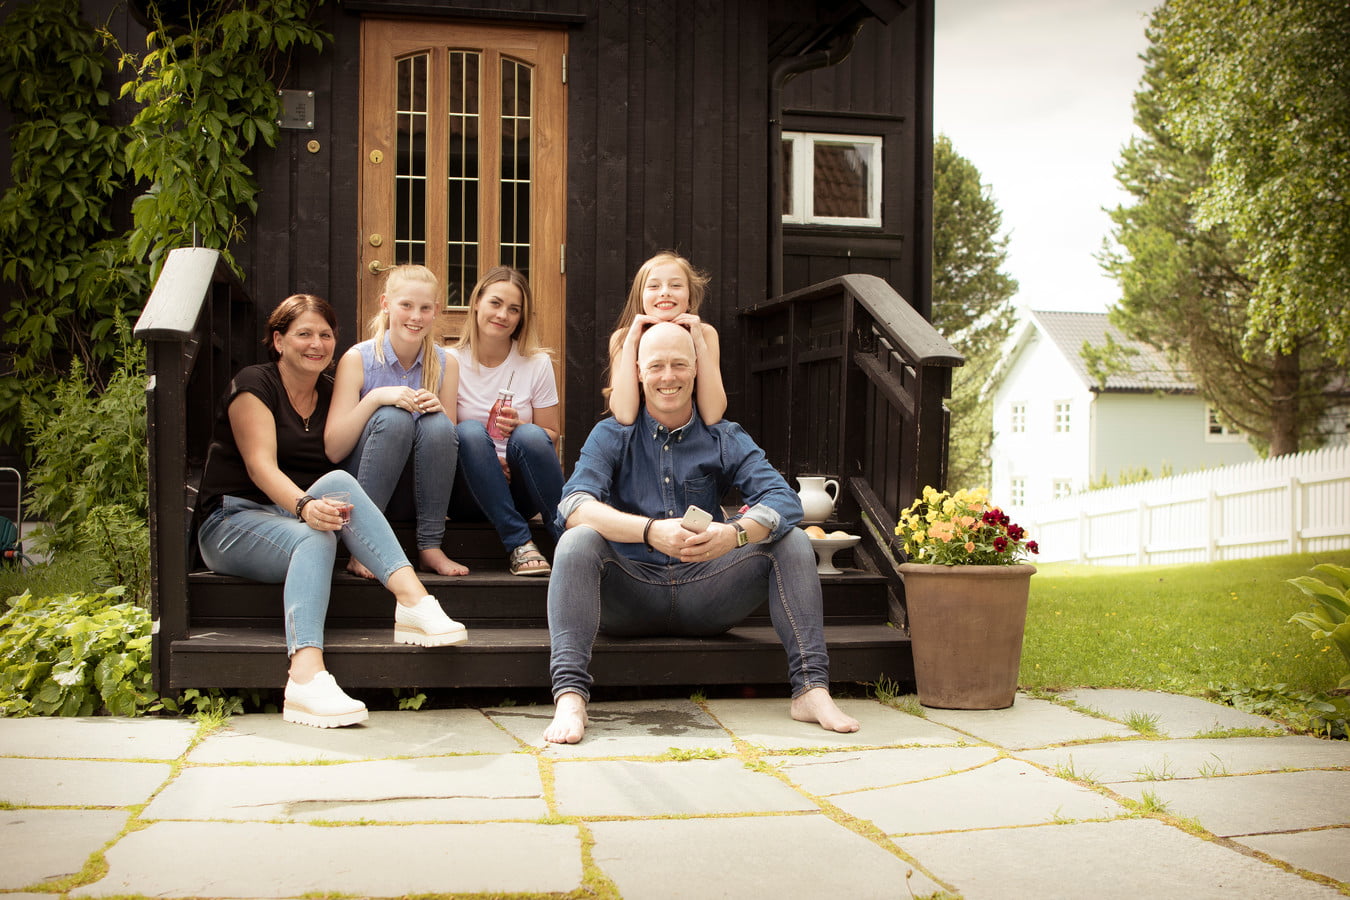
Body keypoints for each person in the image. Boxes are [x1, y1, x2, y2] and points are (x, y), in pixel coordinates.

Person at [544, 321, 860, 743]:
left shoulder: (723, 436)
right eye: (656, 366)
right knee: (578, 539)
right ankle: (570, 697)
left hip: (707, 593)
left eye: (679, 364)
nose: (668, 376)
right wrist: (649, 531)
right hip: (630, 593)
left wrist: (735, 535)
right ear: (638, 372)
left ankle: (811, 690)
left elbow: (784, 500)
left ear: (696, 370)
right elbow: (572, 506)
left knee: (792, 539)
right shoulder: (612, 435)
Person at [196, 294, 467, 729]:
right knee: (313, 534)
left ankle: (413, 601)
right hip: (233, 521)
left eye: (325, 334)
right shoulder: (255, 384)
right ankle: (304, 675)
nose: (316, 344)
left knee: (340, 485)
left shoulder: (329, 392)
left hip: (291, 517)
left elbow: (348, 453)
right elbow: (259, 466)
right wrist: (305, 506)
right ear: (279, 340)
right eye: (303, 334)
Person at [325, 265, 468, 578]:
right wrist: (376, 399)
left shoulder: (447, 363)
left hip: (416, 493)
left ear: (436, 311)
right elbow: (335, 450)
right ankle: (362, 547)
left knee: (439, 425)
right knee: (393, 416)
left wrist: (439, 411)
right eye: (406, 305)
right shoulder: (358, 359)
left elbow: (448, 443)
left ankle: (429, 546)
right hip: (365, 490)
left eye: (425, 308)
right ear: (385, 304)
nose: (415, 316)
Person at [449, 266, 565, 576]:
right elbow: (442, 438)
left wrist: (517, 431)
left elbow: (551, 434)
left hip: (520, 490)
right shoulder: (449, 360)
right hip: (466, 493)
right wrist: (486, 461)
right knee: (468, 432)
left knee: (529, 435)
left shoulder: (536, 362)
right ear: (477, 303)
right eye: (496, 303)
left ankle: (568, 541)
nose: (503, 314)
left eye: (514, 309)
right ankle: (519, 543)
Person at [607, 251, 726, 426]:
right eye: (654, 286)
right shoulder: (623, 338)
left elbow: (713, 414)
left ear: (690, 297)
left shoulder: (706, 334)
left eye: (676, 285)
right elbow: (625, 415)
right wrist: (631, 342)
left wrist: (699, 342)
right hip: (640, 436)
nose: (665, 293)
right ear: (641, 297)